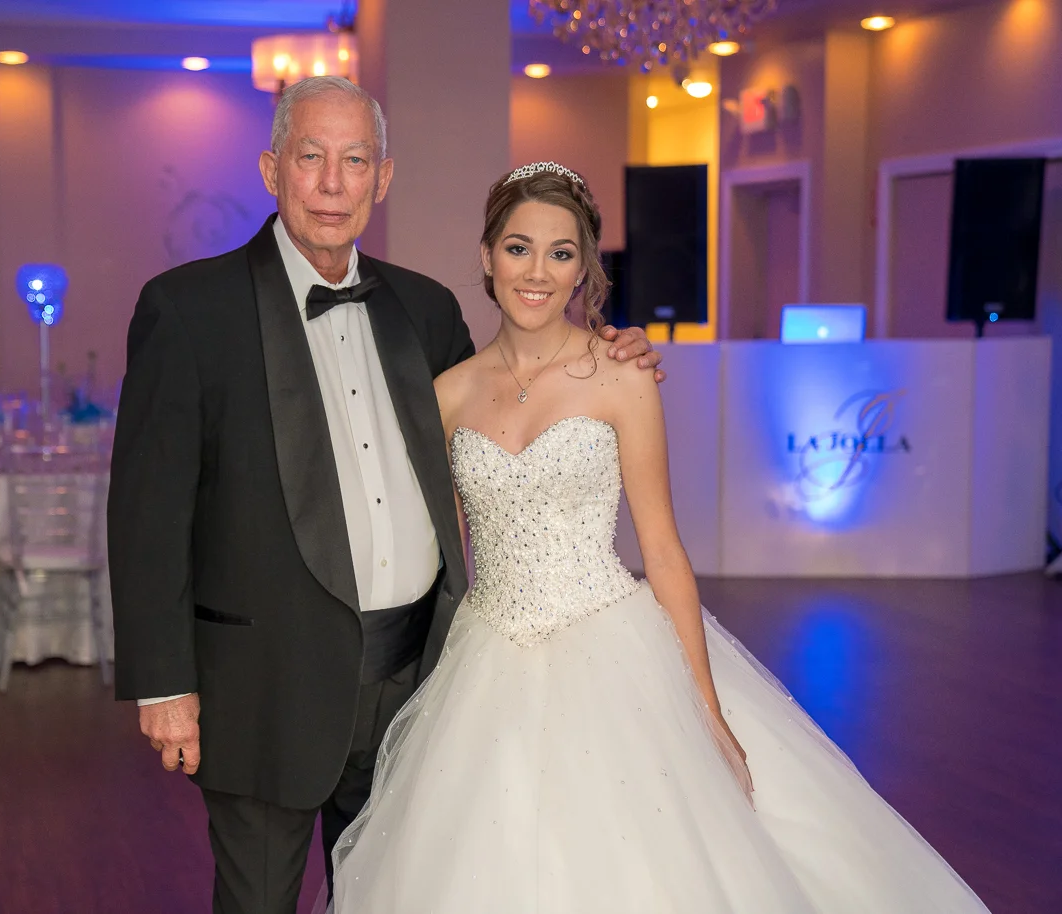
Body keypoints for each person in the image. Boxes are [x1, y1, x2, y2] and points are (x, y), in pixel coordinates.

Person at [326, 162, 992, 913]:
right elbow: (438, 554)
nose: (537, 273)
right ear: (486, 256)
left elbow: (664, 550)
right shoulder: (448, 394)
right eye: (518, 248)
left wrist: (705, 710)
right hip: (487, 658)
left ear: (585, 268)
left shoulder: (622, 376)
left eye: (561, 253)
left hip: (611, 646)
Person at [106, 78, 663, 914]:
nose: (333, 183)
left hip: (417, 687)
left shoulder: (425, 309)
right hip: (265, 688)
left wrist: (613, 351)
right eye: (311, 157)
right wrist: (163, 686)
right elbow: (148, 515)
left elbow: (515, 396)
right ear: (272, 169)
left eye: (356, 160)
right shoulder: (188, 310)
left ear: (384, 177)